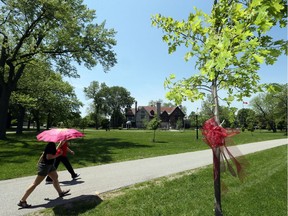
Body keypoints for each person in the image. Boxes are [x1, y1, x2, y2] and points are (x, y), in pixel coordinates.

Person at [18, 142, 70, 208]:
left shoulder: (51, 145)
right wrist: (59, 155)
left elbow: (45, 153)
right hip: (45, 167)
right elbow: (48, 157)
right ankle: (22, 201)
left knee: (55, 177)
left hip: (50, 166)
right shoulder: (51, 145)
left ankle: (60, 193)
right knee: (35, 183)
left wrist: (60, 143)